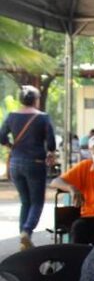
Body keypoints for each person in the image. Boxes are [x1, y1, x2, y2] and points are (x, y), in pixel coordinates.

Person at [0, 85, 56, 250]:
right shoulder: (43, 118)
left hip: (16, 163)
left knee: (25, 201)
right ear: (36, 100)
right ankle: (26, 231)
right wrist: (51, 152)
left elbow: (1, 136)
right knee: (37, 202)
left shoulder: (11, 116)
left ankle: (23, 240)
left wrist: (11, 146)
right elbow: (51, 142)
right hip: (36, 162)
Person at [49, 134, 94, 244]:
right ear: (91, 151)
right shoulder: (85, 166)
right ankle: (76, 260)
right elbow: (55, 182)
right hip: (88, 215)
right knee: (78, 227)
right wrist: (72, 188)